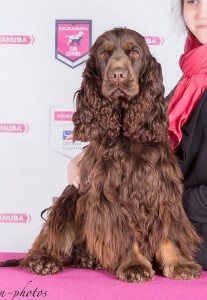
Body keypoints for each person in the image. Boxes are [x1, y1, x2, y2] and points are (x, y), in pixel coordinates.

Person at [67, 0, 207, 269]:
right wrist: (86, 157)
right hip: (164, 230)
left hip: (189, 235)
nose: (201, 11)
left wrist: (157, 200)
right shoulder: (191, 76)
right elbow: (146, 128)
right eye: (192, 1)